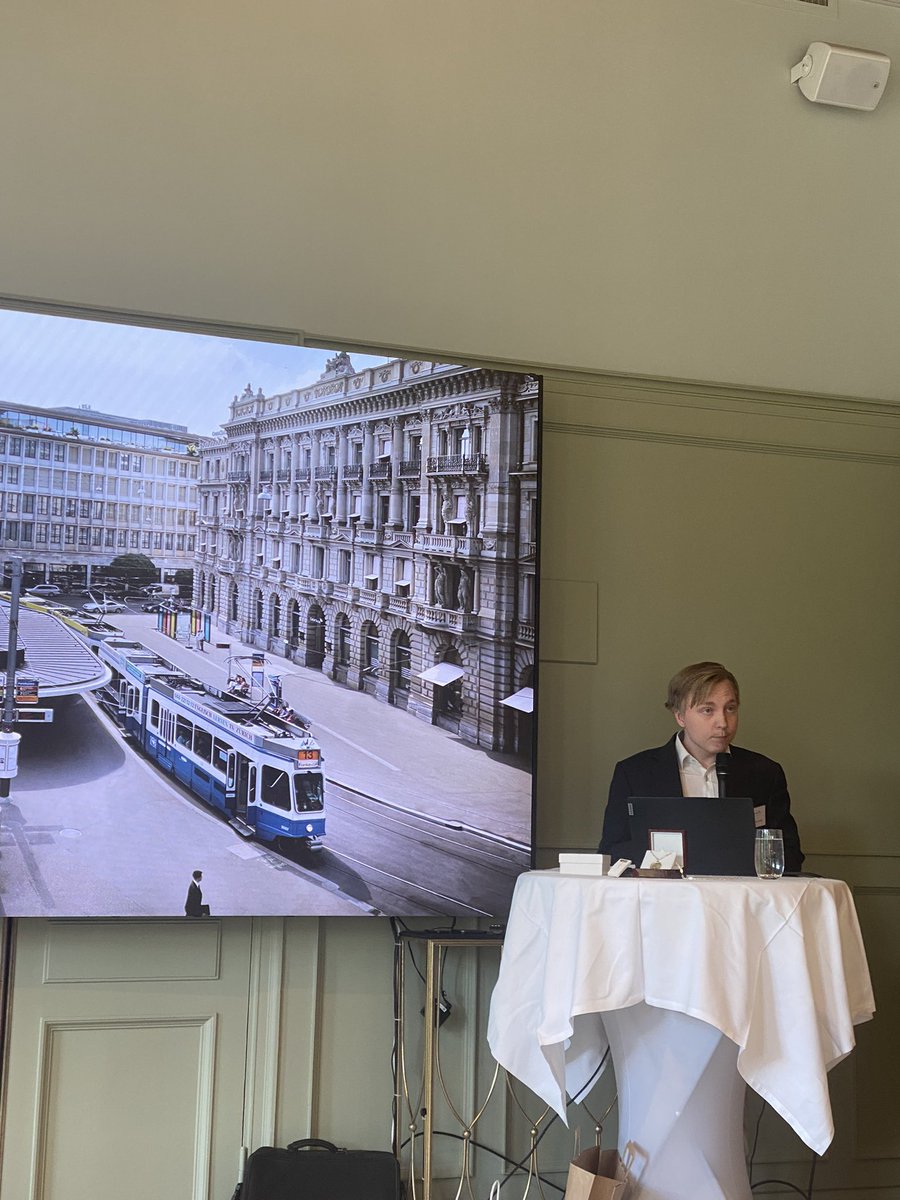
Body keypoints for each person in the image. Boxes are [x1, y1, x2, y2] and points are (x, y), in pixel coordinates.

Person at [598, 661, 804, 872]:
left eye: (730, 709)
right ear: (680, 716)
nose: (723, 722)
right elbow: (612, 852)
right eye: (707, 710)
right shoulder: (634, 773)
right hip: (665, 900)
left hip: (741, 900)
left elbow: (790, 855)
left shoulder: (764, 774)